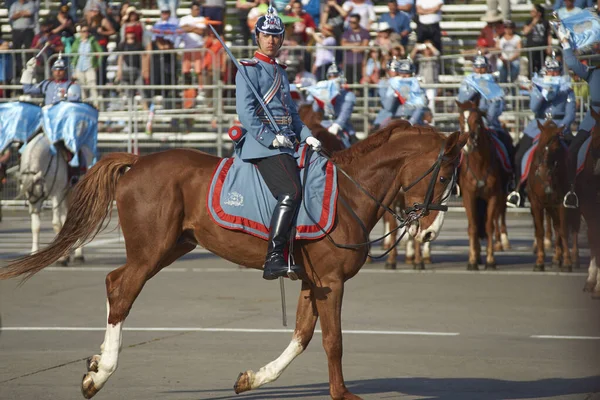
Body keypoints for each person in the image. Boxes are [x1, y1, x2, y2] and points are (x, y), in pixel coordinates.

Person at [235, 7, 321, 280]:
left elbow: (292, 114)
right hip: (262, 145)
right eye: (266, 35)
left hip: (288, 142)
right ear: (257, 37)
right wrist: (271, 139)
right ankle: (273, 256)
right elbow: (246, 114)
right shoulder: (248, 70)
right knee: (290, 192)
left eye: (275, 36)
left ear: (282, 39)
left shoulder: (280, 72)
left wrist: (306, 134)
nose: (270, 41)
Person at [506, 54, 575, 208]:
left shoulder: (567, 90)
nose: (553, 74)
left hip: (559, 125)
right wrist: (543, 93)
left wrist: (560, 129)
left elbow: (570, 114)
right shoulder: (538, 87)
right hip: (539, 125)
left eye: (555, 71)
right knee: (518, 156)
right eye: (550, 72)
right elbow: (533, 108)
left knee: (574, 154)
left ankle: (571, 191)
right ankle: (518, 191)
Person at [558, 26, 600, 208]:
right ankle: (571, 190)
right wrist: (565, 43)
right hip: (594, 116)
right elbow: (573, 64)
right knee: (573, 149)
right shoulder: (593, 72)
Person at [457, 53, 515, 167]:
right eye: (477, 67)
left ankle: (510, 174)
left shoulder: (494, 85)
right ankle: (452, 178)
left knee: (507, 145)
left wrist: (488, 118)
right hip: (468, 124)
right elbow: (462, 101)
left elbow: (499, 108)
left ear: (488, 68)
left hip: (490, 124)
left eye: (483, 67)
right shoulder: (467, 83)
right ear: (473, 68)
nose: (480, 70)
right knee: (453, 149)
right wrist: (475, 89)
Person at [307, 63, 357, 146]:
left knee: (348, 147)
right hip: (323, 124)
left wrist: (337, 125)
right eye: (330, 76)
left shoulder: (348, 95)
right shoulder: (324, 92)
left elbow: (345, 114)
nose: (333, 78)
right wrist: (318, 96)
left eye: (335, 76)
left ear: (341, 78)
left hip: (342, 127)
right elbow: (315, 110)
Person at [372, 57, 426, 130]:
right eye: (402, 74)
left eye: (407, 74)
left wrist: (411, 122)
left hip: (412, 121)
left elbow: (419, 109)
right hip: (397, 120)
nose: (404, 76)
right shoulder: (394, 85)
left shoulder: (417, 86)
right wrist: (394, 92)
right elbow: (388, 107)